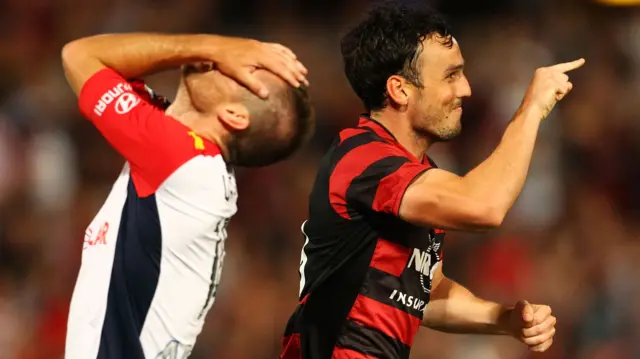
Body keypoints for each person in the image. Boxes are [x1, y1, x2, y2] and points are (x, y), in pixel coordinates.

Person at [281, 2, 584, 359]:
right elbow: (483, 206)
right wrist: (531, 109)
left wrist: (503, 320)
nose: (466, 90)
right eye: (451, 76)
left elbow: (424, 292)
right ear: (400, 90)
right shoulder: (363, 159)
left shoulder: (417, 172)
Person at [61, 33, 314, 359]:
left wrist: (211, 45)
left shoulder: (180, 160)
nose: (226, 59)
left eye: (241, 69)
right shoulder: (191, 163)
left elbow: (79, 55)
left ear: (235, 116)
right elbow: (105, 63)